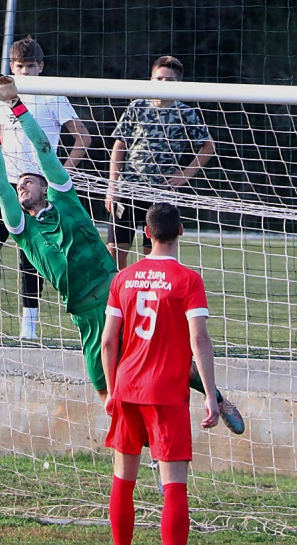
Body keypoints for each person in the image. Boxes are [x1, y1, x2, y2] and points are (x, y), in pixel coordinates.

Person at [0, 73, 245, 434]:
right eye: (20, 185)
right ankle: (137, 439)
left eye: (29, 180)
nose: (23, 185)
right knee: (103, 384)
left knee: (168, 358)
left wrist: (15, 106)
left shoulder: (64, 198)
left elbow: (44, 149)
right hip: (84, 313)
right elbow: (1, 186)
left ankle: (218, 398)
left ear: (44, 184)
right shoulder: (25, 232)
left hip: (117, 294)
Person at [101, 202, 219, 545]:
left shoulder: (123, 278)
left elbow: (108, 341)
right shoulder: (188, 279)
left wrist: (111, 391)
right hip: (166, 391)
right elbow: (198, 337)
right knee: (173, 484)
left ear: (146, 233)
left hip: (127, 387)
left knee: (123, 478)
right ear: (181, 231)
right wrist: (210, 394)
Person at [0, 36, 91, 340]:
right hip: (4, 183)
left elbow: (83, 138)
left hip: (36, 186)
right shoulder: (2, 97)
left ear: (41, 67)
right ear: (11, 67)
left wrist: (59, 175)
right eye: (19, 66)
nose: (24, 72)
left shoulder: (51, 96)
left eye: (30, 66)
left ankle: (30, 324)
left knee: (32, 253)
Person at [105, 55, 215, 270]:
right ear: (151, 80)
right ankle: (119, 297)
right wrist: (113, 185)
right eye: (159, 78)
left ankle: (150, 296)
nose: (163, 84)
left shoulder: (185, 113)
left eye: (170, 80)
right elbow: (119, 146)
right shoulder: (137, 107)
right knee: (115, 250)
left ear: (179, 84)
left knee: (154, 254)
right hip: (129, 189)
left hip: (161, 193)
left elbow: (208, 147)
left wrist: (185, 174)